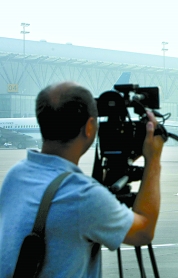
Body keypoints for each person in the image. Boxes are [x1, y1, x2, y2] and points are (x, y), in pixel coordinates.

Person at [0, 81, 165, 277]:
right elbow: (143, 232)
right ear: (89, 127)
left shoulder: (16, 176)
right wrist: (153, 159)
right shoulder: (83, 196)